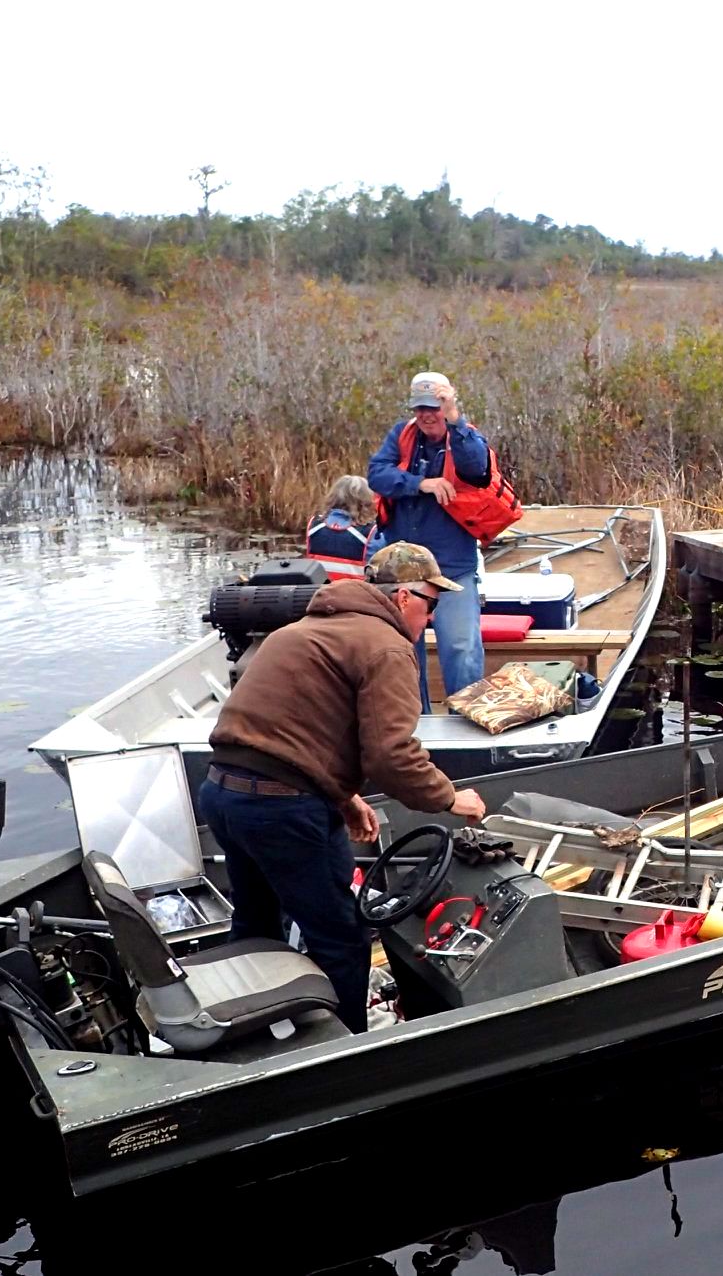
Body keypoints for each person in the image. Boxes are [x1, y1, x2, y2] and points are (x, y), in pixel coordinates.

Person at [199, 540, 488, 1032]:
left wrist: (344, 795)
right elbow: (391, 754)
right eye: (431, 605)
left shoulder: (301, 630)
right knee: (341, 938)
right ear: (402, 598)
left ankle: (248, 1035)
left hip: (223, 795)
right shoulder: (387, 646)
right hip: (282, 810)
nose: (432, 618)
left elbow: (287, 730)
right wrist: (448, 797)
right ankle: (348, 1052)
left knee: (256, 921)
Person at [368, 370, 520, 709]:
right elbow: (377, 474)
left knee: (461, 648)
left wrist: (455, 418)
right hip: (403, 574)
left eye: (434, 407)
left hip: (453, 567)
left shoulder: (466, 439)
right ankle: (413, 721)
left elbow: (477, 469)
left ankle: (466, 720)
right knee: (403, 651)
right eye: (420, 408)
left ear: (447, 405)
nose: (426, 415)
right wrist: (421, 484)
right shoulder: (402, 435)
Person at [304, 474, 376, 581]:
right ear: (365, 503)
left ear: (332, 497)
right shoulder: (371, 532)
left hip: (318, 594)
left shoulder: (313, 525)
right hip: (355, 594)